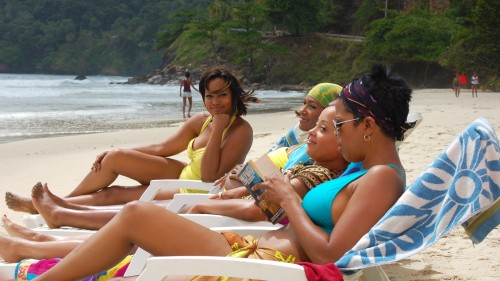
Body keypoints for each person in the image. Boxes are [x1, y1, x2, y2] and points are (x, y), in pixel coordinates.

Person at [3, 64, 412, 281]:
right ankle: (40, 245)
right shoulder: (367, 170)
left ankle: (42, 253)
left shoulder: (383, 178)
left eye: (338, 126)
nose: (336, 137)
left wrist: (288, 199)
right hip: (254, 249)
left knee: (137, 216)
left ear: (369, 126)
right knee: (139, 221)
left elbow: (330, 257)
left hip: (268, 264)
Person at [0, 105, 348, 265]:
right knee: (126, 197)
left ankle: (48, 227)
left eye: (321, 123)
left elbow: (228, 186)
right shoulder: (309, 161)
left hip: (237, 231)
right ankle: (50, 221)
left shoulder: (247, 134)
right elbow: (162, 148)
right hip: (239, 228)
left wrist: (215, 196)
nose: (307, 122)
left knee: (137, 218)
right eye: (208, 96)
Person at [5, 66, 259, 214]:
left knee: (115, 193)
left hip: (196, 190)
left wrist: (218, 130)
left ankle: (51, 205)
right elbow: (162, 147)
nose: (215, 102)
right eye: (209, 96)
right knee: (115, 158)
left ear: (234, 94)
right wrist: (118, 150)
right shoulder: (202, 119)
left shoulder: (240, 131)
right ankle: (55, 202)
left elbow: (208, 176)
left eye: (222, 95)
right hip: (180, 174)